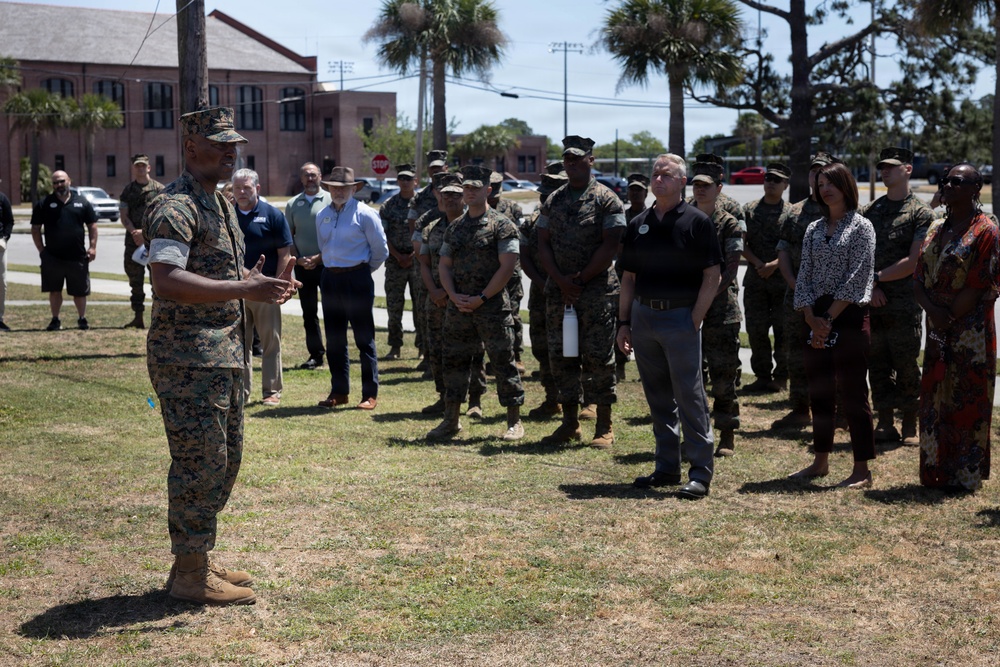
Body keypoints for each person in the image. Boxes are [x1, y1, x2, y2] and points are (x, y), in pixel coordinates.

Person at [144, 107, 295, 605]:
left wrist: (250, 282)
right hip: (188, 357)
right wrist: (241, 287)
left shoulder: (222, 203)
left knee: (222, 462)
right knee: (199, 464)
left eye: (234, 145)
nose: (231, 152)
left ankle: (197, 557)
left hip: (223, 352)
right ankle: (190, 575)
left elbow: (217, 275)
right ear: (191, 148)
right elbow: (166, 280)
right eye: (219, 144)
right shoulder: (177, 206)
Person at [618, 154, 722, 500]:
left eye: (666, 175)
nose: (658, 179)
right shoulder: (639, 223)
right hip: (644, 316)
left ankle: (700, 473)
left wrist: (696, 318)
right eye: (655, 174)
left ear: (682, 182)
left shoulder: (697, 222)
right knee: (658, 397)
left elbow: (712, 275)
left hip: (681, 318)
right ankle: (666, 467)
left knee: (689, 396)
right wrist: (624, 322)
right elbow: (628, 278)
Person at [789, 162, 876, 488]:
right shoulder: (813, 228)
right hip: (815, 315)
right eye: (821, 183)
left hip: (849, 316)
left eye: (832, 183)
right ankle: (820, 462)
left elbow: (858, 278)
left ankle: (861, 470)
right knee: (820, 392)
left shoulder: (862, 227)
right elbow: (805, 276)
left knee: (854, 394)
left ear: (846, 186)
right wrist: (811, 317)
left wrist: (826, 319)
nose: (825, 189)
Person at [914, 163, 999, 491]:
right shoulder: (935, 227)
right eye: (946, 180)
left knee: (965, 400)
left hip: (970, 333)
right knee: (934, 397)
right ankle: (934, 471)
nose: (947, 185)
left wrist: (944, 316)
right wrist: (932, 312)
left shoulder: (986, 229)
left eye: (957, 182)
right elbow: (918, 277)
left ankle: (963, 476)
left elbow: (979, 283)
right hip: (936, 328)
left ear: (976, 189)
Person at [537, 136, 625, 449]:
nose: (572, 163)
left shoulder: (607, 199)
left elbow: (611, 244)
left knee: (599, 358)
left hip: (597, 292)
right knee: (562, 357)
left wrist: (581, 279)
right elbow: (542, 243)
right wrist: (561, 281)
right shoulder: (554, 199)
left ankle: (604, 425)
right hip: (560, 292)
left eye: (578, 158)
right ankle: (570, 424)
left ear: (591, 159)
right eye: (567, 159)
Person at [428, 165, 525, 441]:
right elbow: (444, 265)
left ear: (488, 190)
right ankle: (451, 420)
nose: (469, 192)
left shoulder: (502, 225)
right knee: (454, 363)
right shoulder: (455, 227)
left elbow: (507, 267)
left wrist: (482, 297)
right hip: (458, 308)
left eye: (475, 188)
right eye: (466, 188)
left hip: (492, 307)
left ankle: (514, 422)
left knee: (502, 363)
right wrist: (453, 295)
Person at [860, 147, 935, 445]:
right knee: (876, 363)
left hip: (905, 303)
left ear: (908, 169)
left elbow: (915, 260)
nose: (885, 171)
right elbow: (860, 255)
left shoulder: (920, 213)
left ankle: (910, 423)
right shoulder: (870, 211)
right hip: (871, 300)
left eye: (891, 166)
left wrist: (876, 279)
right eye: (882, 167)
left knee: (905, 363)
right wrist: (872, 286)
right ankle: (885, 421)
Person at [315, 167, 389, 410]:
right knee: (335, 339)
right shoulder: (322, 214)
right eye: (334, 187)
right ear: (328, 188)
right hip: (329, 278)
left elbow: (380, 251)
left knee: (363, 338)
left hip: (356, 278)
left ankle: (369, 394)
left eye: (343, 188)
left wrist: (362, 272)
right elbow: (323, 246)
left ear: (353, 189)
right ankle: (339, 391)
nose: (338, 191)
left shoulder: (365, 214)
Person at [772, 152, 837, 428]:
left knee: (833, 352)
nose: (816, 177)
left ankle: (838, 412)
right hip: (797, 295)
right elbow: (783, 251)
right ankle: (800, 409)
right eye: (813, 172)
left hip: (832, 299)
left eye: (822, 171)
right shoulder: (794, 212)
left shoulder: (840, 210)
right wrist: (794, 285)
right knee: (796, 353)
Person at [690, 159, 745, 458]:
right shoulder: (682, 216)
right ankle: (698, 435)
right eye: (696, 184)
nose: (700, 189)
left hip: (720, 309)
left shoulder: (728, 222)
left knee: (724, 375)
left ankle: (727, 433)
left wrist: (705, 298)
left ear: (718, 188)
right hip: (686, 309)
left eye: (706, 185)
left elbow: (731, 268)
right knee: (692, 376)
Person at [232, 168, 294, 406]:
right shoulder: (227, 215)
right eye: (237, 188)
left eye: (246, 187)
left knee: (270, 342)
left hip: (265, 291)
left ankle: (271, 391)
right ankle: (242, 393)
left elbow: (284, 253)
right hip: (234, 290)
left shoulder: (272, 215)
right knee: (240, 344)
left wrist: (279, 285)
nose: (241, 192)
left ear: (257, 188)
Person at [521, 163, 568, 419]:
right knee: (542, 346)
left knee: (576, 346)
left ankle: (586, 400)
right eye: (543, 192)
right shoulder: (532, 221)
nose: (544, 197)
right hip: (542, 292)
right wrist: (542, 283)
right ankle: (553, 398)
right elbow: (525, 255)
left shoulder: (576, 219)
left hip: (573, 292)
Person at [419, 172, 469, 413]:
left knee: (470, 352)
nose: (450, 198)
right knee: (437, 350)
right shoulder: (431, 229)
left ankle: (475, 400)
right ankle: (443, 397)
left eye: (455, 194)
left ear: (464, 197)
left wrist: (451, 294)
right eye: (445, 194)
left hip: (465, 301)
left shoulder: (472, 225)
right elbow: (424, 264)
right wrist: (436, 292)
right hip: (437, 301)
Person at [741, 163, 793, 393]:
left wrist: (774, 265)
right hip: (756, 280)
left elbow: (794, 246)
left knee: (783, 331)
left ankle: (781, 377)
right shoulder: (749, 210)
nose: (771, 183)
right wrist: (758, 263)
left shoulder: (792, 212)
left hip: (782, 281)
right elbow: (740, 242)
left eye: (776, 180)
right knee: (756, 330)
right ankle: (762, 376)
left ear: (785, 185)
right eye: (768, 178)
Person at [30, 170, 98, 331]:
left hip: (77, 256)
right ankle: (55, 319)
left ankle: (82, 319)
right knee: (54, 290)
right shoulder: (44, 203)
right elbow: (35, 228)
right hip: (53, 257)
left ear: (69, 181)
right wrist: (41, 250)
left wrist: (93, 247)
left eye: (61, 181)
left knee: (80, 292)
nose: (58, 185)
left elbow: (92, 226)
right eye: (55, 183)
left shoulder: (82, 202)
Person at [285, 162, 332, 370]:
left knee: (333, 310)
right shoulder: (294, 204)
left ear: (320, 176)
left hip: (328, 265)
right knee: (309, 312)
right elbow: (288, 237)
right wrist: (300, 258)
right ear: (301, 179)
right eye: (306, 175)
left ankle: (337, 352)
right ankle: (316, 354)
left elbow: (336, 235)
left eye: (313, 175)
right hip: (303, 266)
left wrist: (319, 258)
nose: (310, 179)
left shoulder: (331, 200)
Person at [408, 149, 449, 367]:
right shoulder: (421, 198)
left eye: (439, 168)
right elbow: (414, 230)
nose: (435, 172)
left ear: (446, 167)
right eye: (432, 169)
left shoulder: (459, 195)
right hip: (426, 265)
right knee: (425, 310)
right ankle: (427, 354)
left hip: (454, 270)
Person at [118, 154, 164, 329]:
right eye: (137, 166)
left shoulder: (160, 190)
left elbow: (163, 216)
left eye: (143, 166)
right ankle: (138, 317)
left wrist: (145, 233)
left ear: (149, 168)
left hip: (153, 242)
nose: (140, 168)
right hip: (133, 243)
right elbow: (124, 216)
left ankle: (159, 319)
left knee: (158, 282)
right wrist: (134, 232)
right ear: (133, 168)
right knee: (135, 281)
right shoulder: (127, 191)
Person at [489, 170, 526, 373]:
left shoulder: (513, 209)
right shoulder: (476, 209)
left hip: (510, 273)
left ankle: (517, 356)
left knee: (512, 315)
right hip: (487, 272)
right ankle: (495, 359)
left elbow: (518, 240)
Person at [380, 163, 419, 360]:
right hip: (395, 262)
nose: (405, 182)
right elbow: (383, 235)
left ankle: (422, 347)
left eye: (409, 179)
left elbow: (426, 234)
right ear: (397, 181)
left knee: (420, 306)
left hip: (418, 261)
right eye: (402, 179)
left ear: (415, 181)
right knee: (394, 307)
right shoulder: (389, 205)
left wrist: (412, 256)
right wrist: (398, 256)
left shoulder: (422, 204)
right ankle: (395, 347)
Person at [615, 172, 650, 381]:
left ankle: (645, 370)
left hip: (647, 276)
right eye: (632, 189)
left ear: (646, 193)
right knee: (621, 320)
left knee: (645, 322)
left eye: (639, 190)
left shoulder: (654, 216)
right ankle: (620, 366)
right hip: (623, 276)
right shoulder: (621, 217)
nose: (635, 193)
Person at [0, 184, 12, 331]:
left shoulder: (2, 199)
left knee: (1, 282)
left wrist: (4, 238)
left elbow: (9, 221)